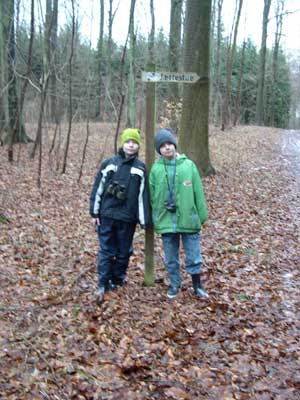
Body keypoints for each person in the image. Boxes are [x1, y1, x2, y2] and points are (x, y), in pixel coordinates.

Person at [90, 128, 150, 304]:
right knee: (106, 249)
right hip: (107, 215)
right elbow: (98, 188)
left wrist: (144, 219)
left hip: (127, 217)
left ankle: (117, 278)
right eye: (128, 141)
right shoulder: (109, 164)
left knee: (124, 251)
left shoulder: (139, 168)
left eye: (134, 142)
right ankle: (103, 282)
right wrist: (94, 212)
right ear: (122, 143)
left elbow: (142, 195)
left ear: (138, 146)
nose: (131, 145)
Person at [149, 129, 209, 299]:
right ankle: (175, 285)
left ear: (174, 145)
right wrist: (155, 217)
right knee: (171, 257)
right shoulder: (156, 169)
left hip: (188, 218)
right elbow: (152, 196)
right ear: (159, 150)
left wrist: (201, 215)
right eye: (162, 146)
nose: (167, 148)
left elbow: (198, 191)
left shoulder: (188, 165)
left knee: (193, 254)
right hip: (166, 220)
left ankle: (197, 285)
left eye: (169, 144)